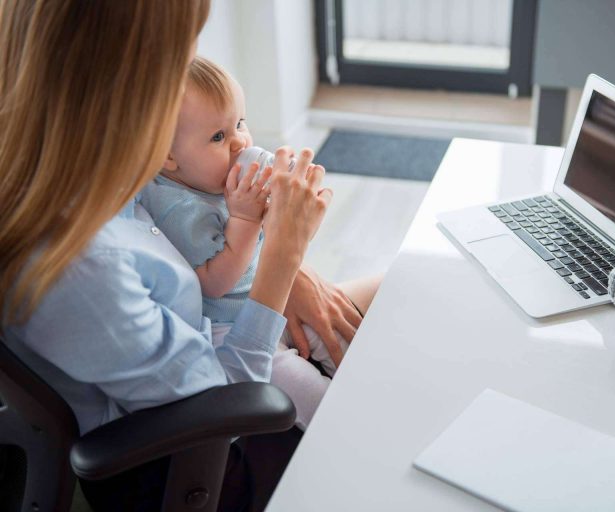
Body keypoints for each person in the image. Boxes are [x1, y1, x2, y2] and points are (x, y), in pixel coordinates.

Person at [0, 1, 379, 510]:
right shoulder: (84, 270)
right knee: (386, 384)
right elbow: (230, 397)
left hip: (219, 341)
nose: (190, 67)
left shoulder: (83, 174)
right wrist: (284, 258)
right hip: (211, 460)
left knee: (402, 289)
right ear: (124, 83)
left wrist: (287, 266)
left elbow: (189, 241)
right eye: (180, 54)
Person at [140, 56, 349, 430]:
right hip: (230, 327)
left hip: (266, 302)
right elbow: (215, 283)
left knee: (339, 341)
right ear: (167, 156)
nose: (241, 143)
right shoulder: (179, 208)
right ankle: (341, 427)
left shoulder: (211, 179)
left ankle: (366, 390)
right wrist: (247, 220)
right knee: (303, 389)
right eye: (219, 137)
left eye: (240, 123)